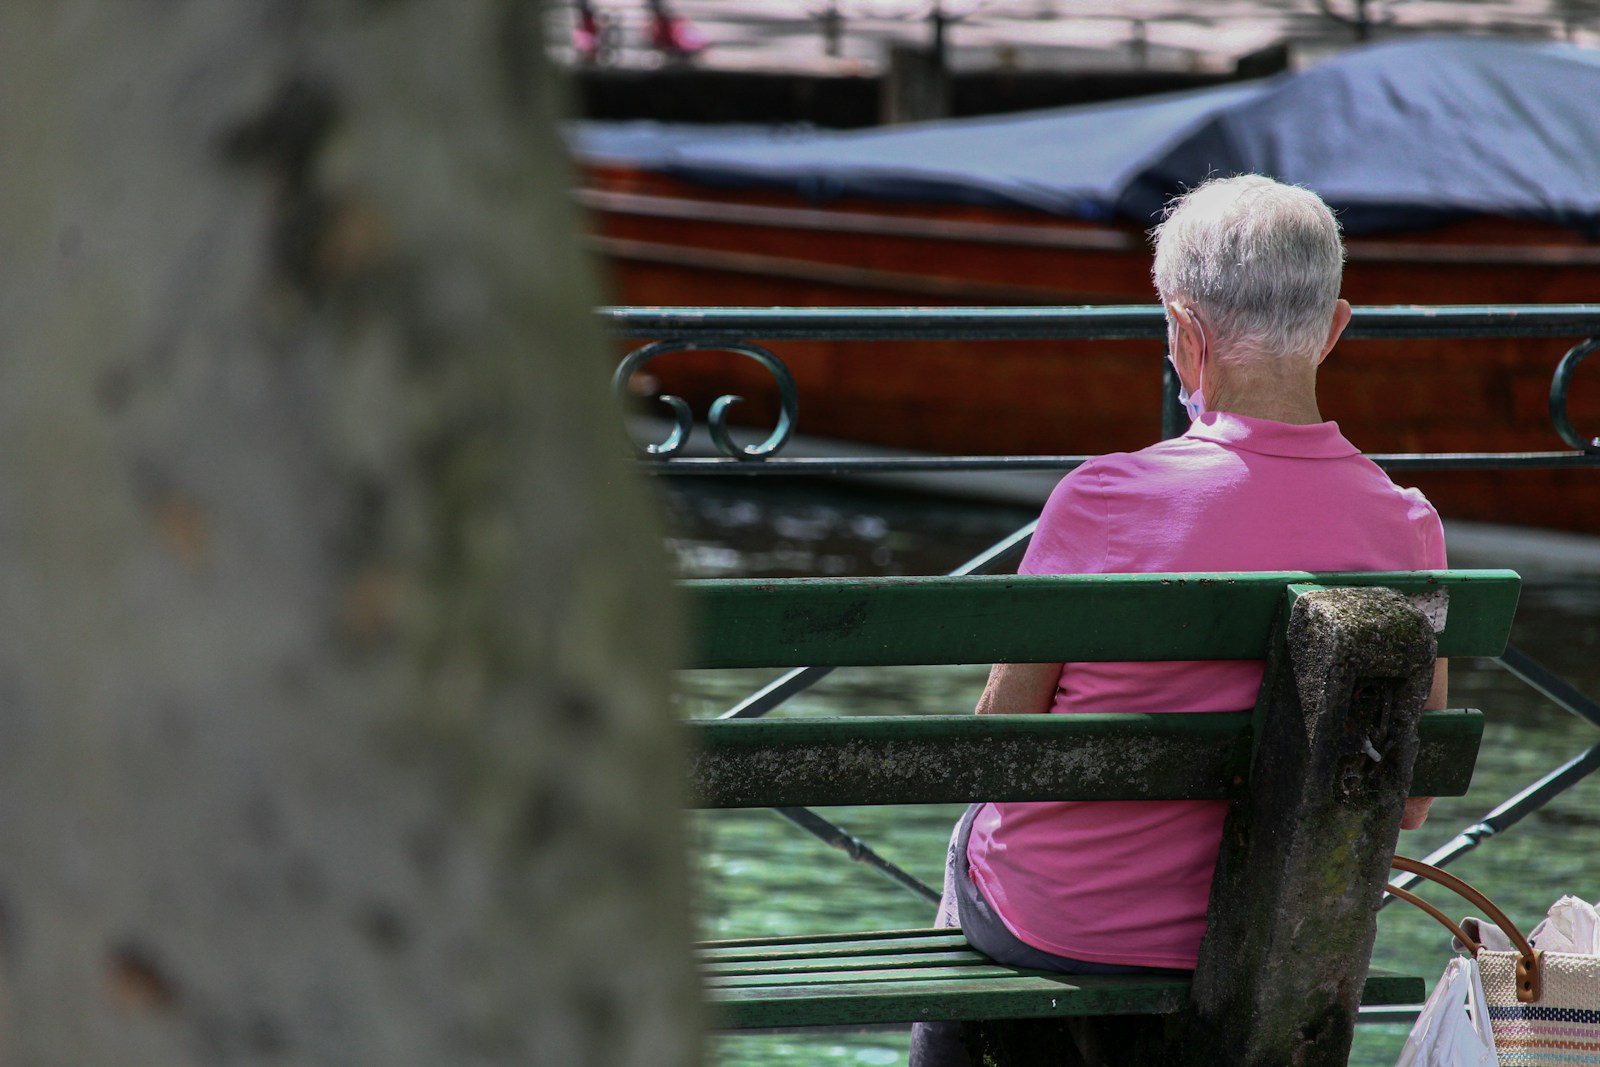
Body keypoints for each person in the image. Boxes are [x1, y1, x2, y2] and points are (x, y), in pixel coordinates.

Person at [908, 174, 1448, 1067]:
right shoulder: (1407, 525)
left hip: (1057, 931)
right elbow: (1414, 796)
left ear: (1187, 334)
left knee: (974, 832)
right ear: (1337, 327)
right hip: (1271, 948)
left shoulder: (1101, 498)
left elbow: (1000, 744)